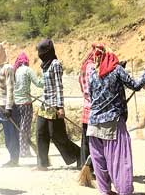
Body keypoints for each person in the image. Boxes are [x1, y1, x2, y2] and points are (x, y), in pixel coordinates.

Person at [86, 47, 145, 195]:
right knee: (119, 157)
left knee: (99, 159)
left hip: (93, 122)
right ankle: (125, 194)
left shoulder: (92, 75)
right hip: (113, 121)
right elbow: (135, 85)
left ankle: (105, 191)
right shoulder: (116, 70)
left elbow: (92, 94)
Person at [35, 38, 81, 170]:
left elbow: (59, 87)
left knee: (57, 136)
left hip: (54, 105)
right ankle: (42, 163)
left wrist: (60, 107)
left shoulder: (55, 64)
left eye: (42, 51)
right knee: (40, 133)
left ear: (47, 51)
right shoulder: (44, 65)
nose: (40, 54)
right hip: (45, 104)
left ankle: (79, 155)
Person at [79, 43, 106, 169]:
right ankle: (93, 168)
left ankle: (84, 167)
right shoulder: (92, 68)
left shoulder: (84, 66)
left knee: (85, 140)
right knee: (95, 141)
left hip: (85, 107)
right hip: (94, 108)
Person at [12, 51, 39, 158]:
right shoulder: (28, 70)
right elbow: (38, 83)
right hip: (26, 103)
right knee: (25, 128)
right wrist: (46, 83)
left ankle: (19, 150)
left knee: (19, 127)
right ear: (26, 61)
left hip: (16, 104)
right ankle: (24, 151)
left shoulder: (15, 71)